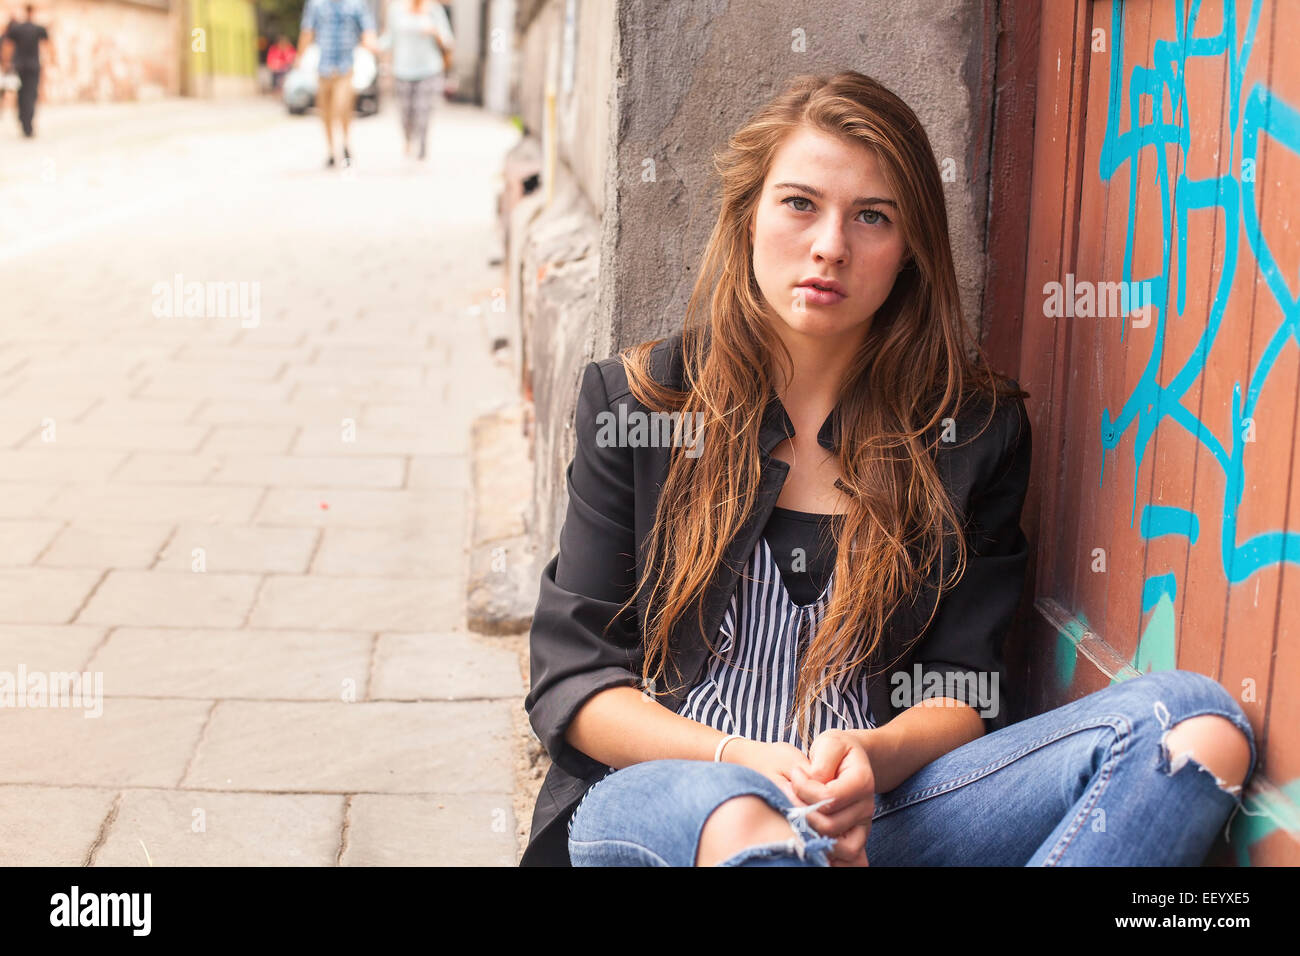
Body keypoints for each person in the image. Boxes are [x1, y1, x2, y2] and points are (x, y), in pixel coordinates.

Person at [521, 71, 1258, 867]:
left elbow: (962, 689)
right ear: (746, 219)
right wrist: (741, 761)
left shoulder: (972, 433)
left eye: (872, 217)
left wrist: (874, 757)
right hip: (669, 798)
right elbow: (576, 682)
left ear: (909, 252)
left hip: (877, 817)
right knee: (745, 824)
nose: (831, 245)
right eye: (800, 204)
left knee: (1194, 729)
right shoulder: (642, 405)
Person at [297, 0, 377, 169]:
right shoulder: (316, 4)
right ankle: (331, 151)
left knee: (342, 106)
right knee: (325, 111)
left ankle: (346, 144)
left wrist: (372, 44)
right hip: (324, 68)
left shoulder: (356, 4)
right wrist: (299, 57)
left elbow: (367, 30)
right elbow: (308, 31)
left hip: (345, 68)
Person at [379, 0, 453, 160]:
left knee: (424, 110)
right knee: (405, 112)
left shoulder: (434, 10)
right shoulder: (396, 9)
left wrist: (435, 33)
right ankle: (408, 138)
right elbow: (389, 38)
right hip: (402, 69)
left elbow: (448, 39)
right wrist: (374, 46)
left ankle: (422, 145)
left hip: (429, 69)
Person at [1, 4, 53, 138]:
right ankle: (28, 124)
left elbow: (7, 44)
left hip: (19, 66)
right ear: (33, 13)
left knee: (22, 95)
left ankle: (24, 122)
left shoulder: (18, 28)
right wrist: (49, 61)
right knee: (31, 95)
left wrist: (7, 62)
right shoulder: (38, 29)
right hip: (33, 67)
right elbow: (48, 44)